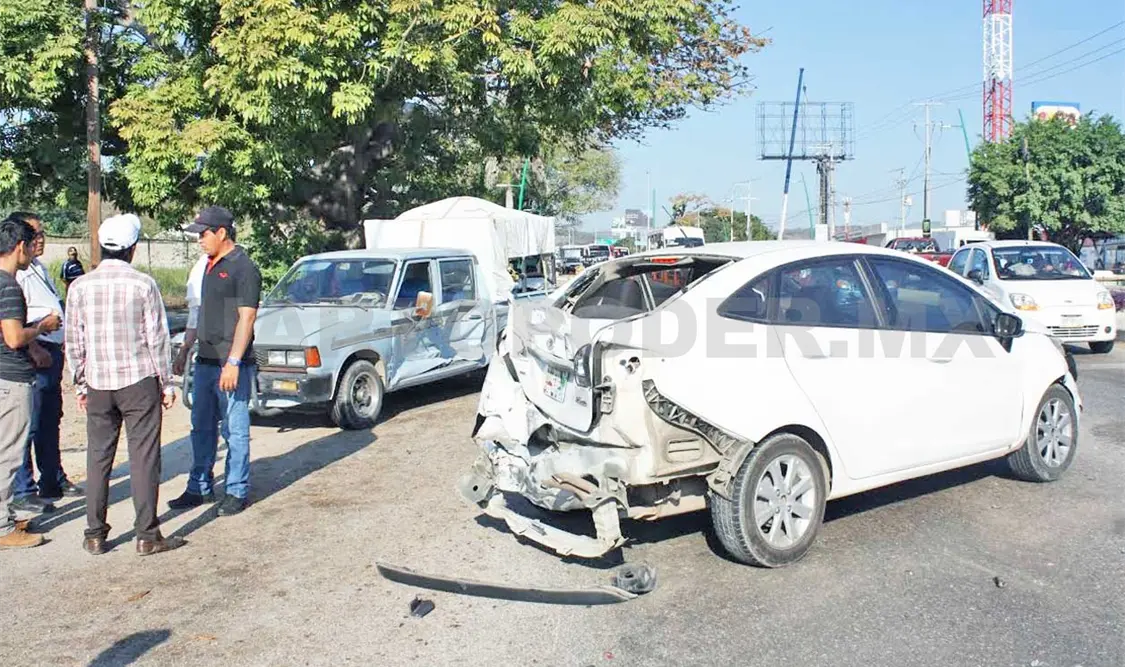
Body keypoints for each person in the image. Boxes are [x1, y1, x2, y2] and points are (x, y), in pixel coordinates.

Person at [65, 213, 184, 556]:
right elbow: (157, 339)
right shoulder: (143, 284)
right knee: (144, 457)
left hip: (99, 382)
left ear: (101, 247)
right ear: (132, 249)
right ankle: (147, 535)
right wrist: (167, 383)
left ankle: (94, 533)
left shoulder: (79, 286)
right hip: (138, 381)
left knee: (98, 457)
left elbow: (74, 343)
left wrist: (81, 384)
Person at [168, 206, 261, 516]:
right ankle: (199, 487)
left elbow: (246, 319)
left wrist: (233, 362)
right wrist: (185, 348)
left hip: (230, 364)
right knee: (201, 428)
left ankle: (236, 490)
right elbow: (198, 313)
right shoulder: (206, 266)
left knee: (234, 430)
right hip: (205, 361)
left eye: (204, 234)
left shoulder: (243, 267)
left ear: (222, 233)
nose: (199, 240)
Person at [11, 212, 83, 512]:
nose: (40, 239)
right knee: (30, 423)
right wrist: (34, 349)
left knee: (50, 419)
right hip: (35, 351)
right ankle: (25, 489)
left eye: (42, 233)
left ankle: (52, 479)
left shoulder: (37, 267)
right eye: (34, 234)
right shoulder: (16, 272)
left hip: (51, 351)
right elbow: (15, 324)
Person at [0, 217, 61, 549]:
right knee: (8, 453)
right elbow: (13, 337)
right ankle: (3, 527)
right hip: (12, 377)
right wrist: (40, 327)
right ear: (19, 246)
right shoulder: (9, 285)